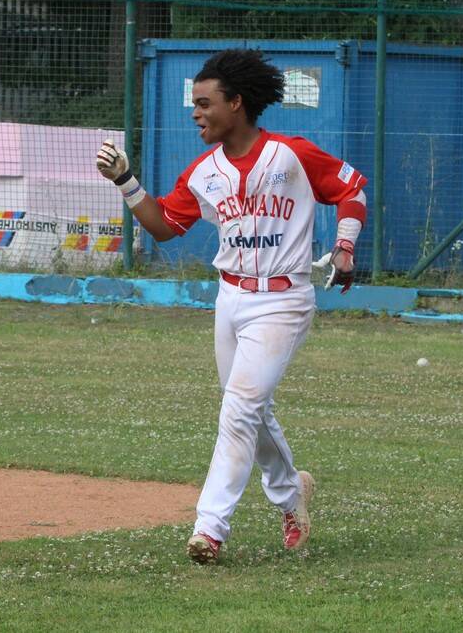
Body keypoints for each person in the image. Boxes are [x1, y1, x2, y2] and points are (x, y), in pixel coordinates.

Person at [96, 48, 367, 564]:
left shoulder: (291, 154)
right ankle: (293, 495)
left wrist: (347, 246)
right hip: (231, 297)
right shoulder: (203, 171)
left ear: (237, 103)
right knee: (250, 409)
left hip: (284, 298)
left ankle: (209, 527)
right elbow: (162, 227)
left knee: (239, 409)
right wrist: (127, 181)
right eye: (194, 104)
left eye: (204, 103)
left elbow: (352, 190)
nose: (195, 112)